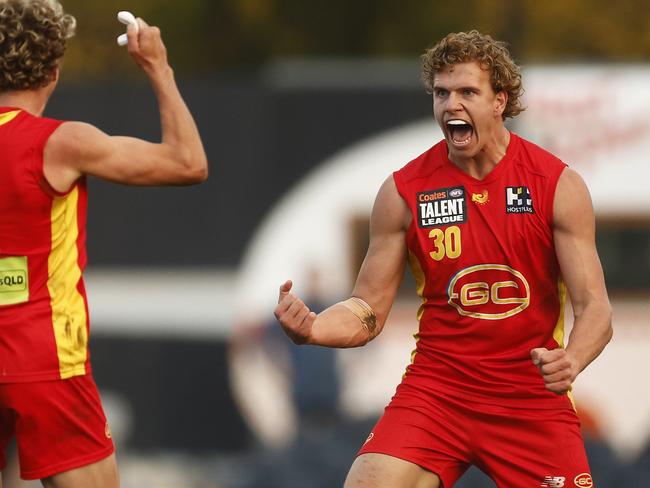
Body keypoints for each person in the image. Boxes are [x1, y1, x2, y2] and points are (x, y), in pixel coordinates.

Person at [275, 30, 612, 487]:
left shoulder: (556, 185)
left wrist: (571, 359)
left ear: (500, 101)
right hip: (437, 393)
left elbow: (596, 310)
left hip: (529, 398)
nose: (451, 104)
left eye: (468, 92)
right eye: (441, 93)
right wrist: (314, 328)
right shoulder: (402, 191)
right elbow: (367, 309)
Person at [0, 1, 207, 487]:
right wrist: (158, 66)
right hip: (45, 357)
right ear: (54, 71)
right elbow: (187, 163)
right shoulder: (61, 142)